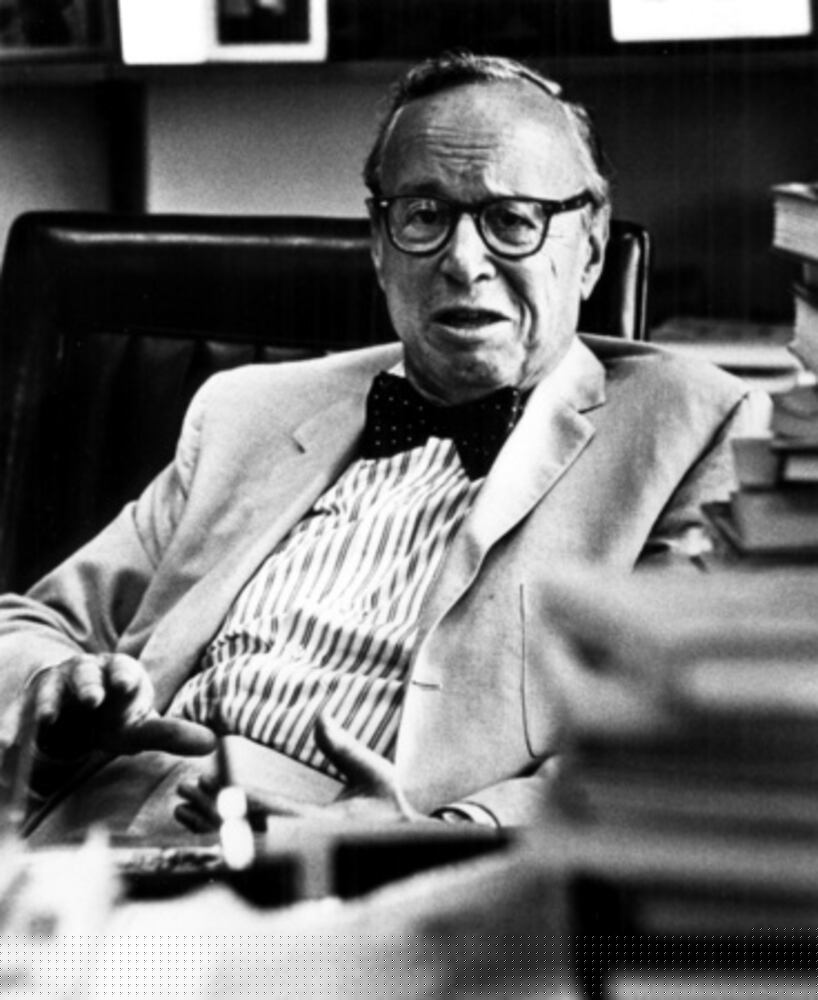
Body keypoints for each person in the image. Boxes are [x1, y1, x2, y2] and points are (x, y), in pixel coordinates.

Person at [0, 51, 759, 842]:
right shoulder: (245, 409)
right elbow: (32, 624)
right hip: (85, 829)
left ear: (590, 249)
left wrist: (435, 838)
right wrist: (55, 687)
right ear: (379, 244)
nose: (463, 262)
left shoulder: (692, 426)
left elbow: (679, 740)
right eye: (424, 215)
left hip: (370, 864)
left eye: (512, 220)